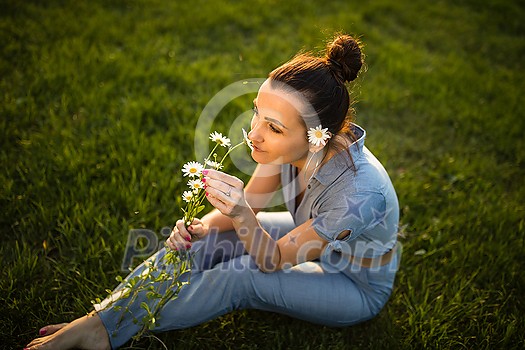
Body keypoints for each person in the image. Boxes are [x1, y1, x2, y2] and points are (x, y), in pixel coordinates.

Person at [25, 34, 400, 350]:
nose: (253, 133)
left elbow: (269, 260)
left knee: (244, 275)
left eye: (272, 127)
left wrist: (240, 217)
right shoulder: (295, 143)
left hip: (352, 282)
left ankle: (106, 332)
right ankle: (98, 319)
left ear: (315, 137)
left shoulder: (358, 194)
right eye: (257, 113)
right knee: (204, 242)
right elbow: (247, 206)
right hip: (310, 236)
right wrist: (201, 226)